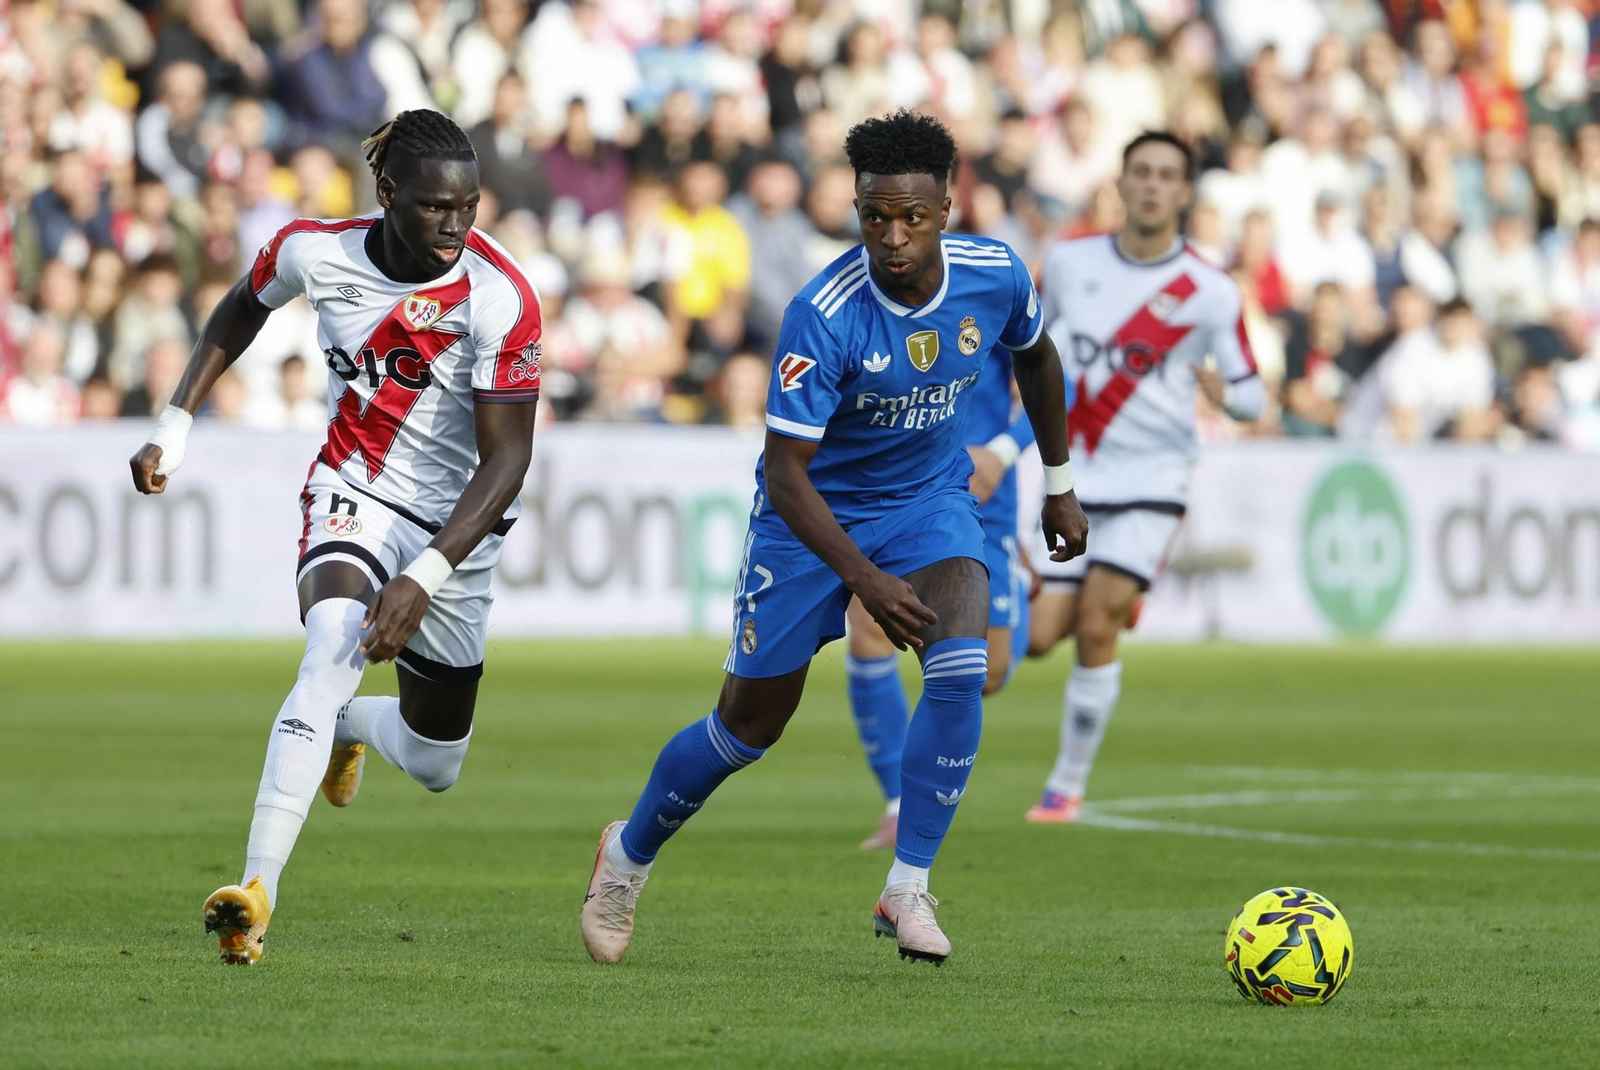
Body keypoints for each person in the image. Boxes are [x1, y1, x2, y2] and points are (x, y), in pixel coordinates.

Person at [579, 110, 1089, 967]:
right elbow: (785, 474)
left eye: (912, 218)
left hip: (928, 499)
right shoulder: (823, 312)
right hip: (809, 518)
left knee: (961, 663)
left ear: (947, 210)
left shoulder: (995, 274)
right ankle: (626, 856)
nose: (891, 236)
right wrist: (863, 579)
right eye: (873, 217)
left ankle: (908, 886)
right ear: (855, 209)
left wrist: (1060, 484)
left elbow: (1036, 357)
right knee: (747, 728)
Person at [127, 109, 543, 965]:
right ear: (388, 195)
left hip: (457, 533)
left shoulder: (500, 297)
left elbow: (508, 462)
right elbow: (240, 310)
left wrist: (424, 575)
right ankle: (254, 892)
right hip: (352, 490)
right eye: (435, 208)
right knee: (327, 648)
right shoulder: (313, 251)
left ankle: (347, 726)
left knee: (436, 762)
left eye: (468, 208)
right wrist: (177, 420)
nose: (456, 226)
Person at [1023, 132, 1266, 824]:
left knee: (1096, 624)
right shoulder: (1069, 262)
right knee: (1040, 637)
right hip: (1074, 470)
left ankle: (1065, 787)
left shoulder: (1211, 291)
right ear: (1122, 183)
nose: (1153, 186)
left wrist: (1224, 395)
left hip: (1158, 474)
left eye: (1167, 176)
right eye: (1142, 173)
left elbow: (1252, 393)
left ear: (1185, 192)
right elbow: (1034, 342)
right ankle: (1120, 590)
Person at [842, 338, 1054, 850]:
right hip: (894, 491)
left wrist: (1002, 452)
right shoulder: (862, 300)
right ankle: (898, 805)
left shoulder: (989, 285)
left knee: (987, 673)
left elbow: (1053, 381)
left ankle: (1014, 585)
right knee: (867, 627)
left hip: (980, 499)